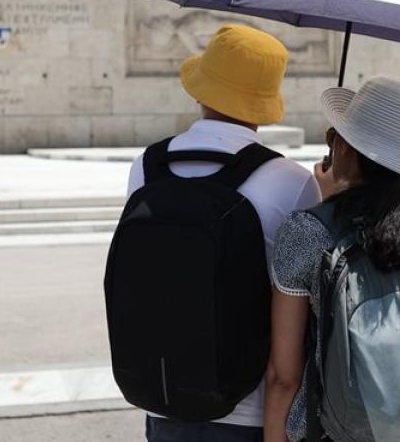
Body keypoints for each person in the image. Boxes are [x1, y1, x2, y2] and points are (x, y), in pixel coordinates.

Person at [123, 24, 322, 442]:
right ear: (265, 100)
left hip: (162, 396)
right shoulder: (292, 182)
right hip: (249, 410)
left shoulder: (147, 167)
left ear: (201, 91)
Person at [265, 76, 400, 442]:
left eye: (335, 136)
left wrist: (324, 204)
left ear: (345, 149)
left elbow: (283, 378)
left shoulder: (308, 232)